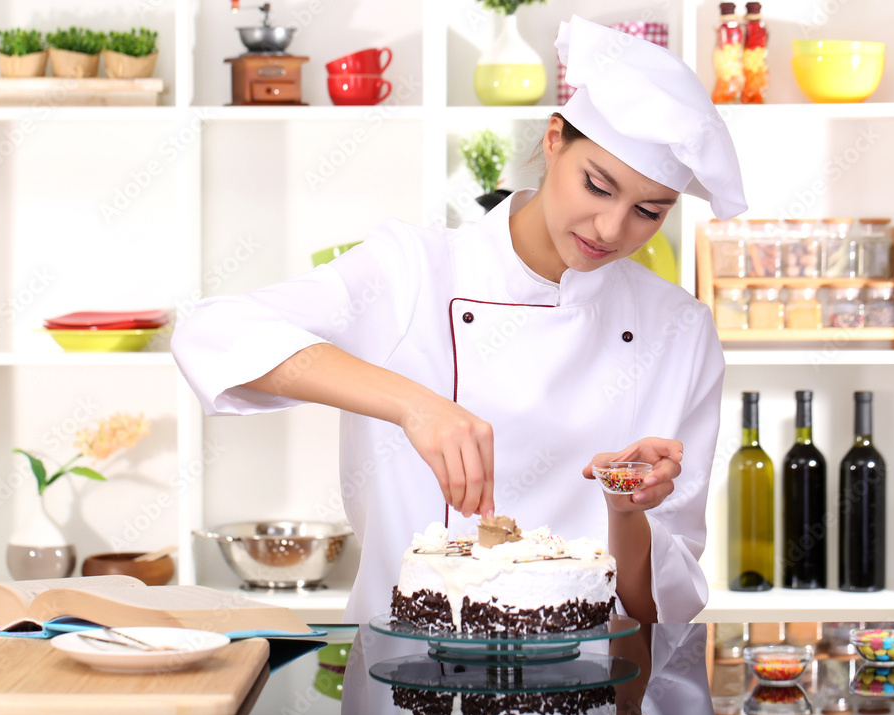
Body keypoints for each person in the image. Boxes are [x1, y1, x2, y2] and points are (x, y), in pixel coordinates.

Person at [171, 16, 746, 624]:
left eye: (648, 212)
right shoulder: (416, 270)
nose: (611, 229)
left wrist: (627, 510)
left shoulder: (679, 331)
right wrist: (413, 404)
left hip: (592, 684)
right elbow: (210, 335)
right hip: (407, 676)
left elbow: (660, 606)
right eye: (597, 186)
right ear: (553, 140)